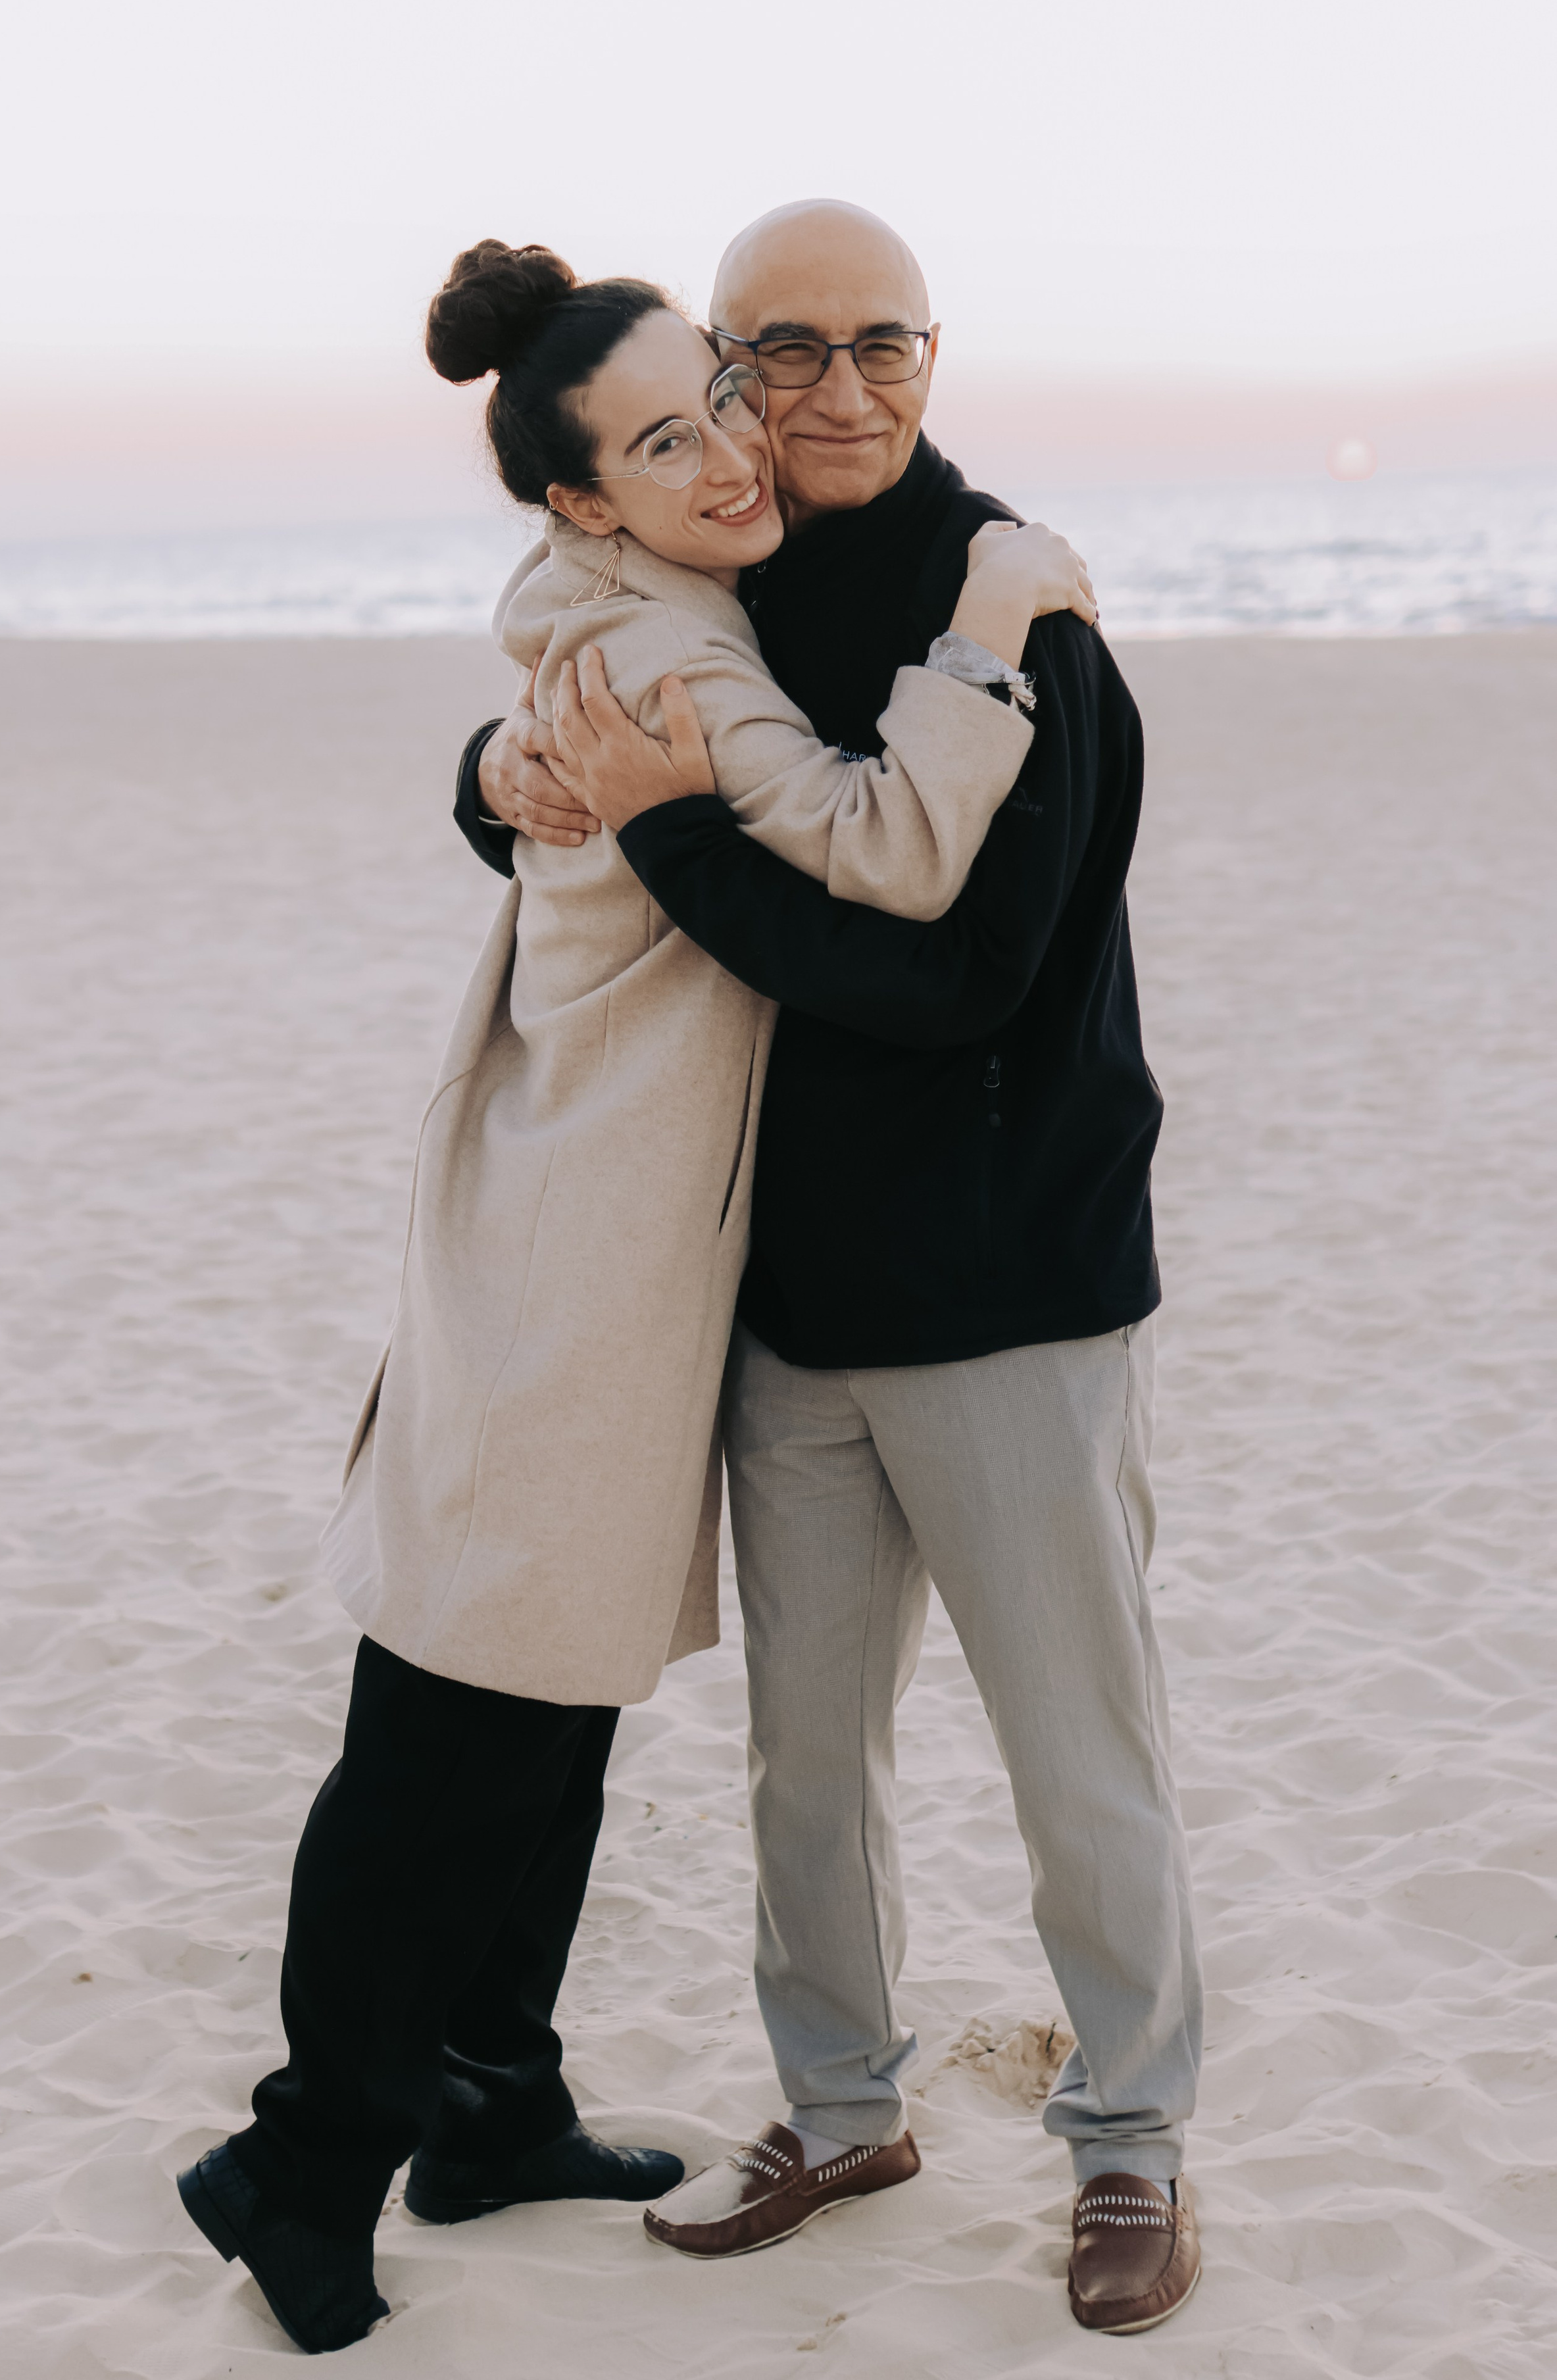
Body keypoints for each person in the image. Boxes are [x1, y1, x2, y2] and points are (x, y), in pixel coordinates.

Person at [175, 236, 1092, 2355]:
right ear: (586, 497)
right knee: (450, 1726)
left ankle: (493, 2106)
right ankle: (301, 2160)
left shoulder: (649, 603)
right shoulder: (674, 657)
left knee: (549, 1702)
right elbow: (886, 852)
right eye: (667, 435)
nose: (734, 448)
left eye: (722, 398)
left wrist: (489, 781)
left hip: (595, 1232)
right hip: (574, 1255)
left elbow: (533, 772)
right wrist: (987, 623)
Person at [459, 201, 1204, 2337]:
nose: (835, 392)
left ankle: (1135, 2138)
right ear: (727, 380)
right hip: (786, 1304)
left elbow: (956, 979)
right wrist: (500, 774)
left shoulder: (1025, 614)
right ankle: (842, 2105)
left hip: (1016, 1287)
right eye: (781, 354)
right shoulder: (722, 574)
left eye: (884, 345)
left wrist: (674, 829)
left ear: (936, 360)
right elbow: (572, 714)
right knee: (807, 1756)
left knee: (1082, 1747)